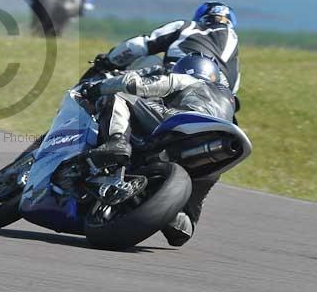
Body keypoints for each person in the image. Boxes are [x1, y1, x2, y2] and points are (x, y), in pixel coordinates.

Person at [81, 54, 237, 246]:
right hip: (216, 151)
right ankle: (171, 211)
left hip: (182, 122)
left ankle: (117, 141)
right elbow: (182, 235)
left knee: (119, 96)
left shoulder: (189, 79)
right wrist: (163, 206)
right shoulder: (228, 102)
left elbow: (136, 85)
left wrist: (96, 88)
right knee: (187, 221)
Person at [94, 1, 241, 94]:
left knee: (147, 61)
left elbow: (139, 45)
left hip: (172, 82)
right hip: (219, 98)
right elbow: (233, 89)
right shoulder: (234, 41)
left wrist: (109, 61)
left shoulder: (186, 26)